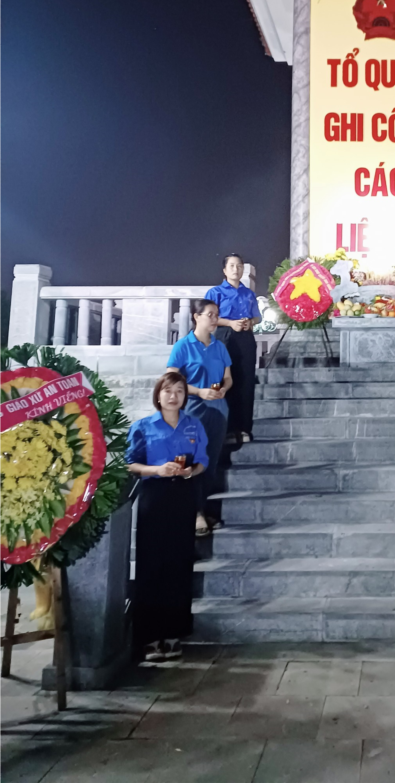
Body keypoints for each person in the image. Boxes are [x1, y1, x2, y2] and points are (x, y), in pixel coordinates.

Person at [126, 372, 209, 662]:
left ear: (185, 396)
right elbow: (130, 464)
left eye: (179, 391)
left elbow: (203, 461)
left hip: (183, 497)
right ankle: (150, 638)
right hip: (154, 497)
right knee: (151, 565)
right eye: (168, 391)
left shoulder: (194, 425)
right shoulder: (143, 426)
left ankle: (174, 634)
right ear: (158, 395)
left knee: (179, 563)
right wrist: (157, 470)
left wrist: (191, 471)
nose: (174, 396)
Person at [167, 298, 232, 537]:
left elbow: (228, 377)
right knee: (191, 461)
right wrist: (198, 391)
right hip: (193, 410)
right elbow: (171, 379)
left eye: (216, 315)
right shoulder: (183, 346)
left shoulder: (219, 347)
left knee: (210, 463)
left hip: (218, 409)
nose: (215, 319)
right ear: (196, 317)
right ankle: (194, 514)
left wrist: (223, 389)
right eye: (210, 315)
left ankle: (201, 508)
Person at [205, 254, 261, 445]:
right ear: (224, 270)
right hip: (224, 337)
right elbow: (208, 317)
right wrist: (230, 323)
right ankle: (227, 430)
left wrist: (250, 322)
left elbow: (257, 317)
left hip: (245, 338)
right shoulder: (215, 292)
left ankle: (244, 428)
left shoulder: (248, 293)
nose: (236, 269)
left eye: (239, 266)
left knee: (246, 382)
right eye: (232, 266)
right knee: (225, 380)